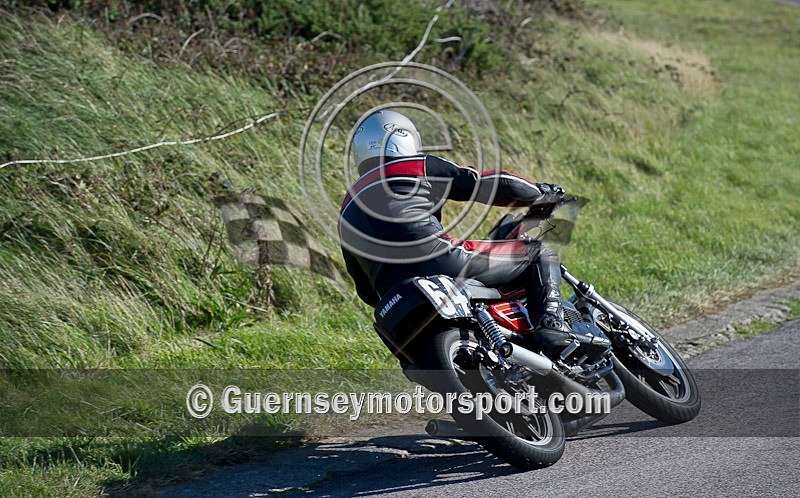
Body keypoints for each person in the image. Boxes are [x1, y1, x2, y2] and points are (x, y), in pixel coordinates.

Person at [339, 109, 573, 356]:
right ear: (405, 138)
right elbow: (488, 184)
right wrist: (541, 192)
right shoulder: (414, 166)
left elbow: (364, 288)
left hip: (394, 296)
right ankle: (552, 326)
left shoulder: (345, 211)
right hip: (442, 260)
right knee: (536, 253)